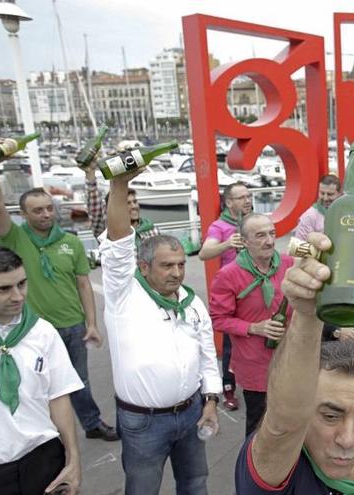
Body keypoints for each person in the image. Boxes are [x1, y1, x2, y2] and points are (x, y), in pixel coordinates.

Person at [234, 234, 354, 493]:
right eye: (330, 416)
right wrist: (308, 314)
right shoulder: (281, 469)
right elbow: (283, 425)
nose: (348, 440)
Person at [102, 169, 222, 494]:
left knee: (196, 483)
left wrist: (211, 400)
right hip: (143, 423)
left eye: (182, 264)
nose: (178, 273)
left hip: (191, 412)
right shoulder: (123, 295)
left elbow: (208, 357)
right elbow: (117, 247)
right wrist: (119, 184)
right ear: (143, 267)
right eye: (167, 266)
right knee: (143, 489)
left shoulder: (192, 302)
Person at [0, 155, 117, 442]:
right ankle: (45, 433)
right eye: (37, 210)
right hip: (32, 328)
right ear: (23, 215)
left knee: (79, 380)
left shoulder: (70, 242)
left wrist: (91, 323)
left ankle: (92, 424)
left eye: (48, 209)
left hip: (73, 324)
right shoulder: (15, 239)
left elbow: (83, 285)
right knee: (36, 383)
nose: (45, 214)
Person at [0, 247, 83, 495]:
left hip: (43, 460)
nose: (18, 296)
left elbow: (58, 396)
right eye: (3, 289)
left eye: (22, 284)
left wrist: (73, 460)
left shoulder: (43, 331)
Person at [209, 213, 294, 437]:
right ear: (244, 242)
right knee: (259, 427)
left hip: (290, 358)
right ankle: (252, 470)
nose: (269, 240)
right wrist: (255, 328)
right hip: (255, 365)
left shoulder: (288, 264)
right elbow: (218, 319)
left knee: (291, 421)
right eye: (260, 235)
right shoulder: (228, 275)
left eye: (272, 233)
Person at [198, 181, 253, 411]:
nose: (248, 200)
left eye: (249, 196)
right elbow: (204, 253)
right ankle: (228, 388)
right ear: (229, 202)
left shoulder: (252, 222)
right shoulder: (219, 226)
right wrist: (228, 243)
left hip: (255, 287)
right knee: (231, 343)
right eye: (242, 197)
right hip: (234, 291)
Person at [85, 159, 159, 242]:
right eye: (127, 203)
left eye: (134, 202)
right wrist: (90, 172)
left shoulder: (150, 228)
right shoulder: (106, 231)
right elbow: (95, 207)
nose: (134, 206)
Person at [293, 174, 341, 240]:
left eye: (330, 194)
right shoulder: (309, 216)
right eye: (322, 193)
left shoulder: (346, 213)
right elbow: (298, 245)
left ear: (339, 194)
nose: (325, 198)